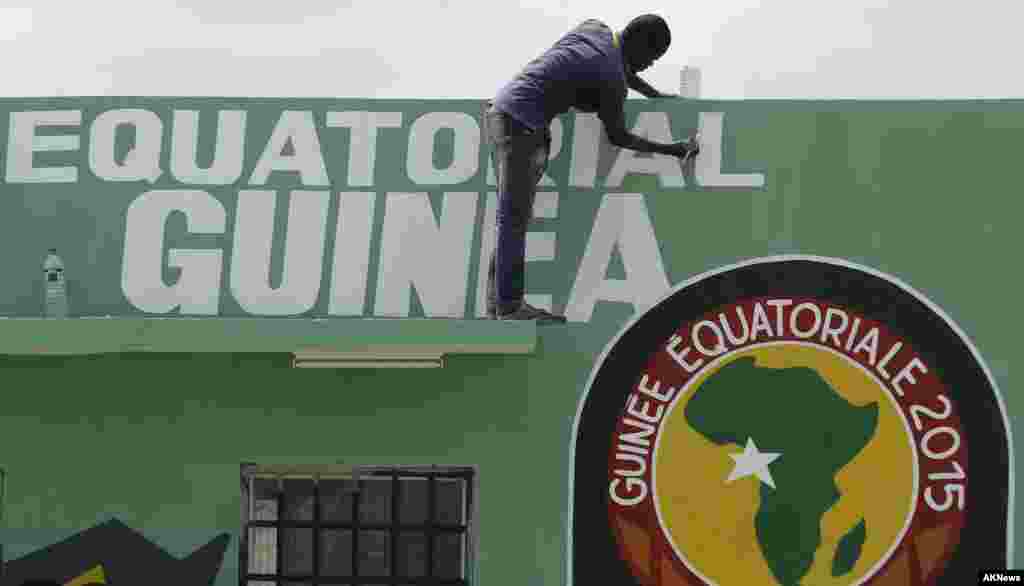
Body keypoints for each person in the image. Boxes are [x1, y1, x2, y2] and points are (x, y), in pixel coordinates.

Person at [484, 14, 699, 323]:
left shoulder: (595, 29)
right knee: (513, 219)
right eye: (650, 59)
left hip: (509, 112)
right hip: (521, 124)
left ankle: (499, 304)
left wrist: (654, 94)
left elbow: (617, 67)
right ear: (638, 46)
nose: (648, 66)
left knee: (513, 219)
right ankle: (508, 308)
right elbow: (619, 136)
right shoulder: (610, 76)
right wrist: (675, 149)